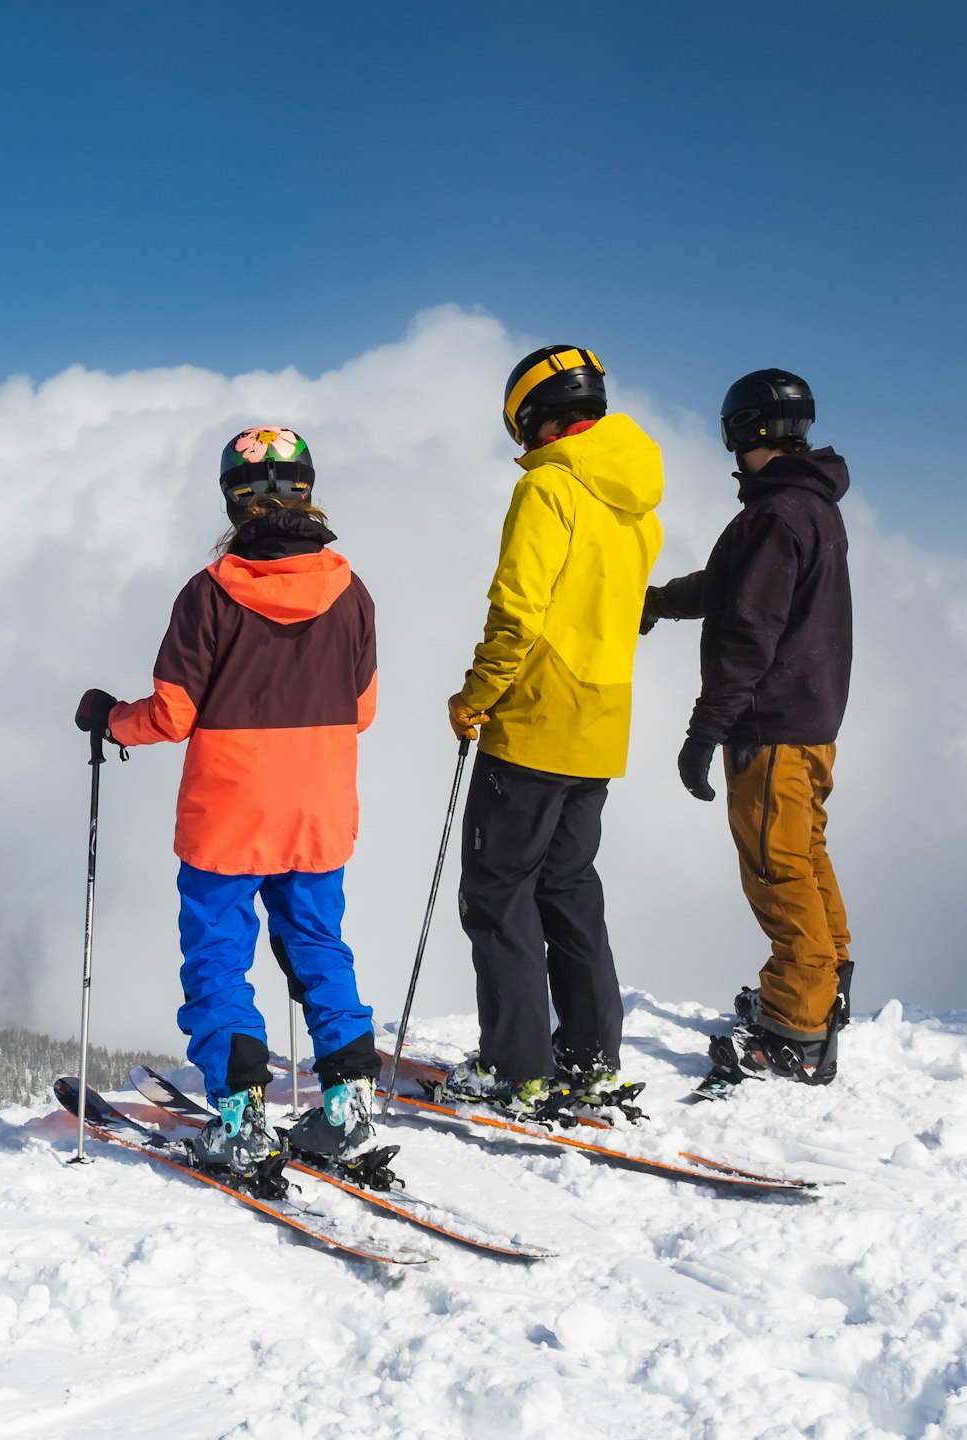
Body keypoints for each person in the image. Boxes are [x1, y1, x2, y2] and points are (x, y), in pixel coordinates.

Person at [75, 426, 382, 1178]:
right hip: (318, 807)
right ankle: (346, 1105)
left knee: (219, 957)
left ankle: (241, 1116)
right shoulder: (351, 592)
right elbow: (363, 708)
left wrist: (107, 717)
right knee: (318, 947)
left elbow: (173, 716)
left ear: (232, 502)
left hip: (231, 811)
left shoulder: (209, 594)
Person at [439, 346, 664, 1119]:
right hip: (603, 725)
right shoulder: (637, 505)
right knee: (569, 890)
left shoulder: (549, 491)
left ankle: (514, 1066)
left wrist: (476, 696)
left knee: (498, 893)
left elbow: (518, 612)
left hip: (535, 718)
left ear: (533, 416)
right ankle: (591, 1056)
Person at [642, 369, 854, 1086]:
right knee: (804, 851)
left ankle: (797, 1031)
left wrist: (706, 731)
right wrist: (658, 603)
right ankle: (825, 986)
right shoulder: (806, 506)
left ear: (741, 431)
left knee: (776, 866)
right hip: (810, 720)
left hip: (772, 723)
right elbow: (729, 584)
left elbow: (747, 634)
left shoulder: (775, 514)